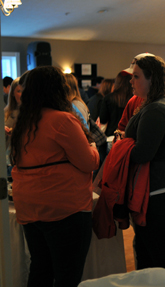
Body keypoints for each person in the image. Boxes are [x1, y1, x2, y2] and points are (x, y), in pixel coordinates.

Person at [10, 66, 99, 287]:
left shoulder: (24, 123)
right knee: (67, 275)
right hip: (64, 207)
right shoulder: (62, 120)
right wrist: (94, 147)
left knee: (40, 269)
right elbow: (88, 162)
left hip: (30, 208)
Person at [122, 53, 165, 273]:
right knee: (151, 256)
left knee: (158, 260)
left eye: (137, 76)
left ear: (153, 79)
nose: (131, 81)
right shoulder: (163, 104)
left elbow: (143, 153)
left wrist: (120, 147)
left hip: (159, 192)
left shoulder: (157, 109)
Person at [99, 72, 133, 136]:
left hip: (111, 133)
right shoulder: (133, 98)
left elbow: (103, 119)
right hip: (128, 134)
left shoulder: (108, 98)